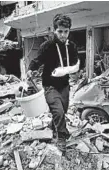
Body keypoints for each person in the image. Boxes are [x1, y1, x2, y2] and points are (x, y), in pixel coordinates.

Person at [27, 14, 80, 153]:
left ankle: (54, 127)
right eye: (60, 31)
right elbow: (38, 60)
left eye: (66, 31)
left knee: (63, 111)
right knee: (58, 111)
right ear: (54, 30)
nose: (63, 35)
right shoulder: (47, 46)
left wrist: (74, 69)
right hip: (49, 85)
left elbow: (76, 63)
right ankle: (61, 138)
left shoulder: (72, 46)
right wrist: (30, 69)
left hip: (64, 85)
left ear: (69, 31)